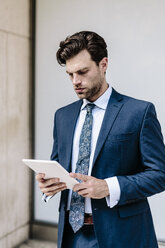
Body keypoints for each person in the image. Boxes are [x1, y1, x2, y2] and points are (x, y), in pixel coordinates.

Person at [36, 31, 165, 248]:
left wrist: (108, 187)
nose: (75, 81)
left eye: (82, 72)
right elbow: (58, 166)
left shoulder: (139, 112)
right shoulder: (62, 116)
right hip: (71, 235)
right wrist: (49, 185)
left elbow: (160, 174)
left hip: (123, 235)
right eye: (70, 74)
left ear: (103, 64)